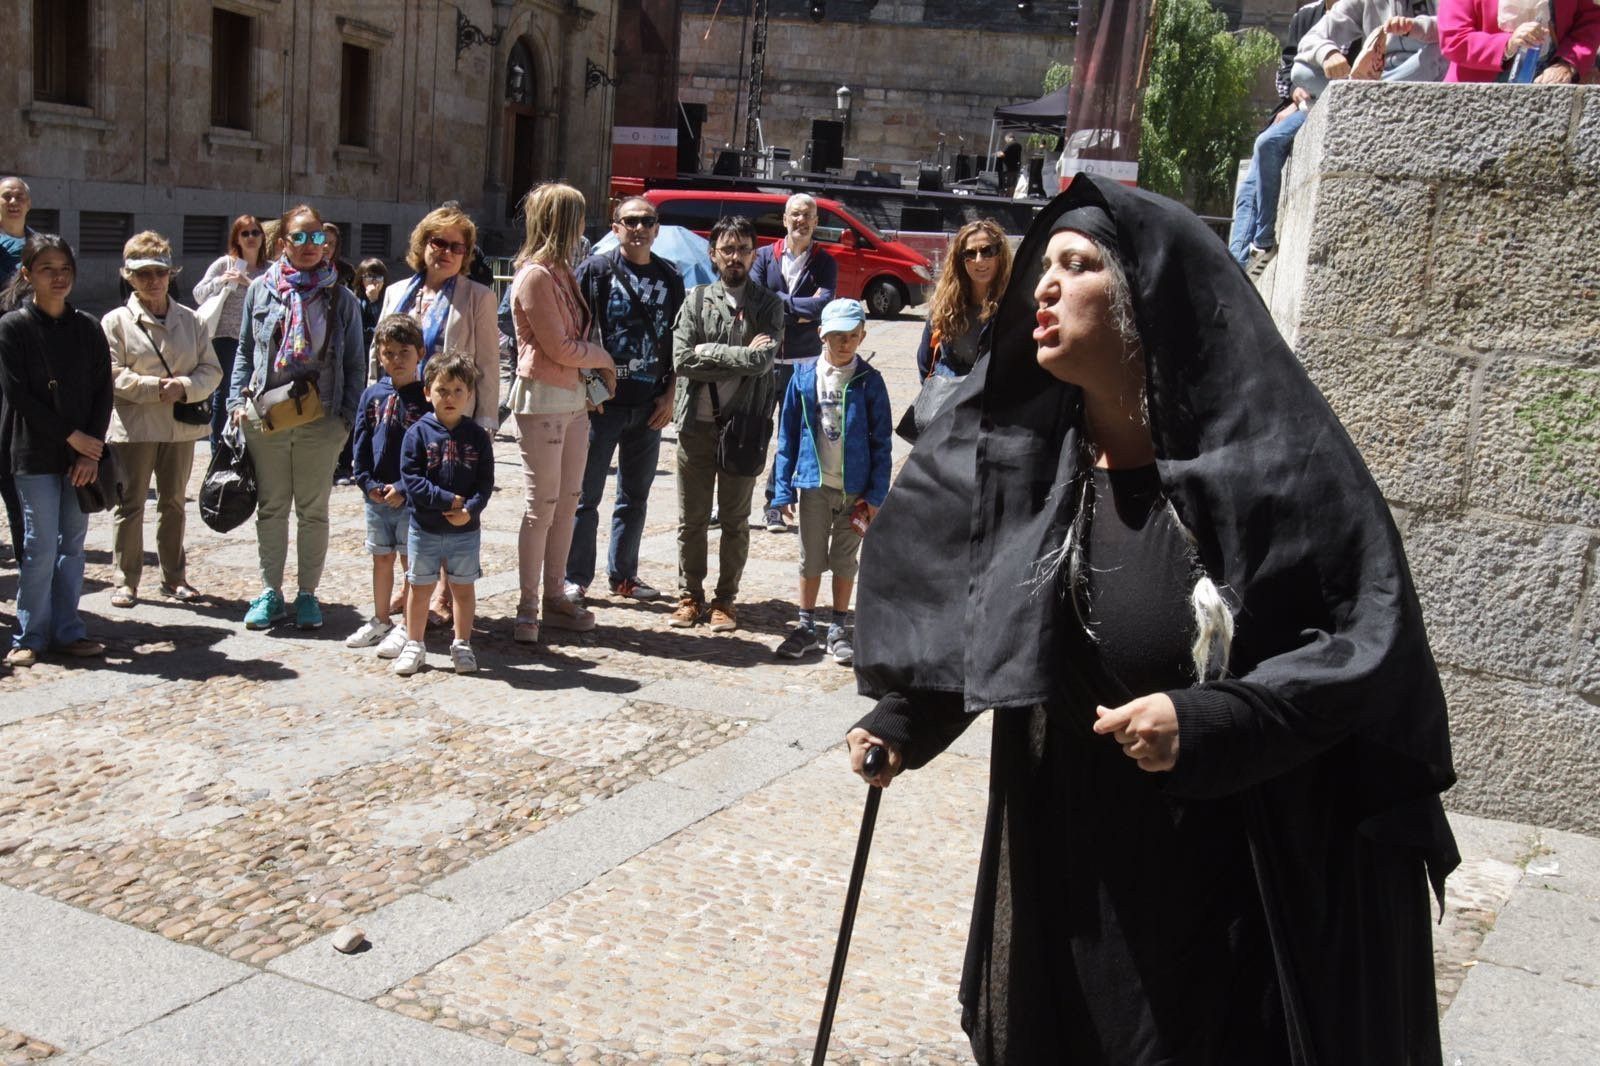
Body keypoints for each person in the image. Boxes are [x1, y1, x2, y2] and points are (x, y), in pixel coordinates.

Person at [844, 176, 1458, 1064]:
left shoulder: (1272, 472)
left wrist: (1212, 718)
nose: (1044, 287)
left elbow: (1363, 650)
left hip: (1227, 890)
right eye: (1043, 268)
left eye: (1078, 265)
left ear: (1147, 298)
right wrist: (908, 716)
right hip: (1073, 874)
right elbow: (993, 618)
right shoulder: (1040, 474)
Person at [227, 203, 366, 631]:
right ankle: (271, 592)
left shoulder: (341, 297)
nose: (310, 245)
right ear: (283, 242)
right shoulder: (260, 291)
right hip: (267, 416)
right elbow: (245, 350)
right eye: (300, 237)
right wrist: (235, 403)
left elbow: (356, 363)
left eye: (317, 237)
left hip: (321, 420)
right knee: (271, 507)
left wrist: (345, 420)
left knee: (312, 510)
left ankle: (308, 594)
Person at [1232, 0, 1446, 274]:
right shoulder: (1314, 14)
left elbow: (1457, 29)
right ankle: (1242, 261)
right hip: (1337, 93)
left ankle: (1236, 269)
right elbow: (1294, 65)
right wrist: (1327, 54)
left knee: (1439, 52)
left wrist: (1415, 27)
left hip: (1410, 76)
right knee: (1263, 151)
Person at [505, 182, 618, 644]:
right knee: (542, 506)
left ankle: (554, 595)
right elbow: (559, 347)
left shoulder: (561, 272)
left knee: (569, 500)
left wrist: (592, 372)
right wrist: (604, 359)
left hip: (572, 401)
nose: (583, 226)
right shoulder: (534, 276)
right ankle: (528, 605)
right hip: (544, 399)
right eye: (578, 217)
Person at [562, 196, 685, 606]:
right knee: (585, 497)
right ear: (615, 228)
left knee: (634, 497)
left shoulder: (670, 276)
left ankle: (624, 575)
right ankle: (575, 577)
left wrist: (671, 393)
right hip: (601, 405)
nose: (639, 228)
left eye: (647, 221)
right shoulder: (596, 270)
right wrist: (585, 388)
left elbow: (679, 340)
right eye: (630, 221)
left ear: (656, 229)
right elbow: (575, 332)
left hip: (649, 404)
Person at [0, 235, 112, 667]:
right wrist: (72, 437)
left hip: (81, 456)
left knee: (73, 547)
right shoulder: (13, 327)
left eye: (64, 268)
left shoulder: (87, 327)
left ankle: (68, 629)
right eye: (47, 269)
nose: (58, 277)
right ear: (27, 275)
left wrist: (89, 449)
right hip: (33, 452)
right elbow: (18, 396)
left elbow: (103, 392)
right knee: (40, 545)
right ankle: (30, 634)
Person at [668, 214, 782, 633]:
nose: (735, 257)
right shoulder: (696, 300)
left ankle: (725, 600)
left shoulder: (768, 305)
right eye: (728, 249)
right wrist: (738, 356)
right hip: (695, 426)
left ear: (754, 254)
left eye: (743, 249)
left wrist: (709, 351)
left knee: (735, 521)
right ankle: (689, 595)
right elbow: (682, 359)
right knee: (692, 519)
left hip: (743, 429)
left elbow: (763, 361)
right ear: (713, 253)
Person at [100, 231, 222, 608]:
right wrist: (154, 388)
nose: (153, 280)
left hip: (179, 427)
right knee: (130, 504)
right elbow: (111, 374)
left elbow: (211, 370)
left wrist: (184, 386)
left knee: (173, 504)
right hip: (135, 427)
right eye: (143, 274)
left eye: (160, 272)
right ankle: (126, 580)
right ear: (128, 276)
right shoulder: (116, 321)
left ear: (171, 274)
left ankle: (174, 577)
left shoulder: (191, 320)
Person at [770, 298, 892, 665]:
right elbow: (787, 436)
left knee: (844, 559)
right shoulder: (804, 377)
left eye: (852, 336)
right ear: (821, 333)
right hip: (814, 485)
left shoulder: (870, 381)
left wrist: (875, 494)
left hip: (855, 490)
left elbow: (882, 442)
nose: (845, 343)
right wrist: (782, 489)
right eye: (838, 335)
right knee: (810, 557)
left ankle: (838, 627)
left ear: (862, 336)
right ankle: (806, 625)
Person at [393, 350, 494, 676]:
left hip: (465, 531)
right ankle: (414, 643)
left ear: (469, 394)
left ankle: (462, 643)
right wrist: (447, 500)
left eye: (457, 390)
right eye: (442, 390)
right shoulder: (417, 434)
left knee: (463, 589)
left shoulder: (477, 436)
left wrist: (470, 510)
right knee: (420, 588)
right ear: (427, 392)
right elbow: (412, 480)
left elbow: (485, 483)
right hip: (425, 528)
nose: (449, 397)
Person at [346, 315, 431, 658]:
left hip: (409, 499)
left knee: (411, 564)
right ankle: (381, 619)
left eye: (404, 352)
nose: (396, 360)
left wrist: (404, 487)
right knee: (381, 558)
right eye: (389, 353)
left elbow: (429, 454)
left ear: (420, 353)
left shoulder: (426, 398)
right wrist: (366, 482)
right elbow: (360, 442)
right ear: (379, 355)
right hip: (376, 496)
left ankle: (408, 627)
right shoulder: (372, 395)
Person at [752, 192, 837, 533]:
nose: (801, 221)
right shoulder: (763, 257)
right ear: (785, 219)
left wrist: (780, 305)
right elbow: (756, 299)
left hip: (803, 362)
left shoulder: (825, 262)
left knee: (791, 437)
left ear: (816, 222)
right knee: (751, 432)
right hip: (763, 360)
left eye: (807, 215)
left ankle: (775, 502)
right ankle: (731, 500)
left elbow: (824, 306)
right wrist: (800, 308)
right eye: (795, 214)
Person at [374, 207, 499, 428]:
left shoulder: (479, 297)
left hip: (448, 418)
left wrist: (485, 422)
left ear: (465, 253)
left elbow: (487, 366)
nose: (447, 252)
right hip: (394, 411)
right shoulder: (395, 292)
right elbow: (377, 352)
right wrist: (373, 398)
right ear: (423, 245)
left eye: (457, 247)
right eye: (439, 243)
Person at [192, 215, 270, 449]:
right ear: (236, 238)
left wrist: (248, 282)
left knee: (257, 393)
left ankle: (249, 444)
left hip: (258, 339)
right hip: (226, 337)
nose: (251, 237)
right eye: (245, 233)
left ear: (262, 236)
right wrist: (221, 281)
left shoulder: (269, 269)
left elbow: (276, 296)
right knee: (225, 392)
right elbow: (198, 294)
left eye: (255, 232)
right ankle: (219, 448)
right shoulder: (225, 264)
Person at [916, 219, 1012, 381]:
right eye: (970, 253)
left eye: (987, 251)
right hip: (951, 393)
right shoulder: (944, 303)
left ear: (1000, 255)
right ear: (960, 260)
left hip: (992, 394)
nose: (979, 260)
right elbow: (925, 362)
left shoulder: (1014, 305)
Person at [0, 177, 36, 563]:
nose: (13, 201)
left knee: (13, 456)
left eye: (19, 196)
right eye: (6, 196)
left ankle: (27, 549)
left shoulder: (37, 245)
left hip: (26, 359)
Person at [1437, 0, 1600, 81]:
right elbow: (1454, 39)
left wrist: (1568, 64)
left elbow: (1590, 19)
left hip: (1553, 83)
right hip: (1480, 94)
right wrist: (1508, 44)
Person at [356, 258, 389, 349]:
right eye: (369, 276)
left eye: (378, 277)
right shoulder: (354, 299)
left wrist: (375, 301)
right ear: (361, 279)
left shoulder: (389, 298)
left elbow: (385, 326)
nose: (374, 281)